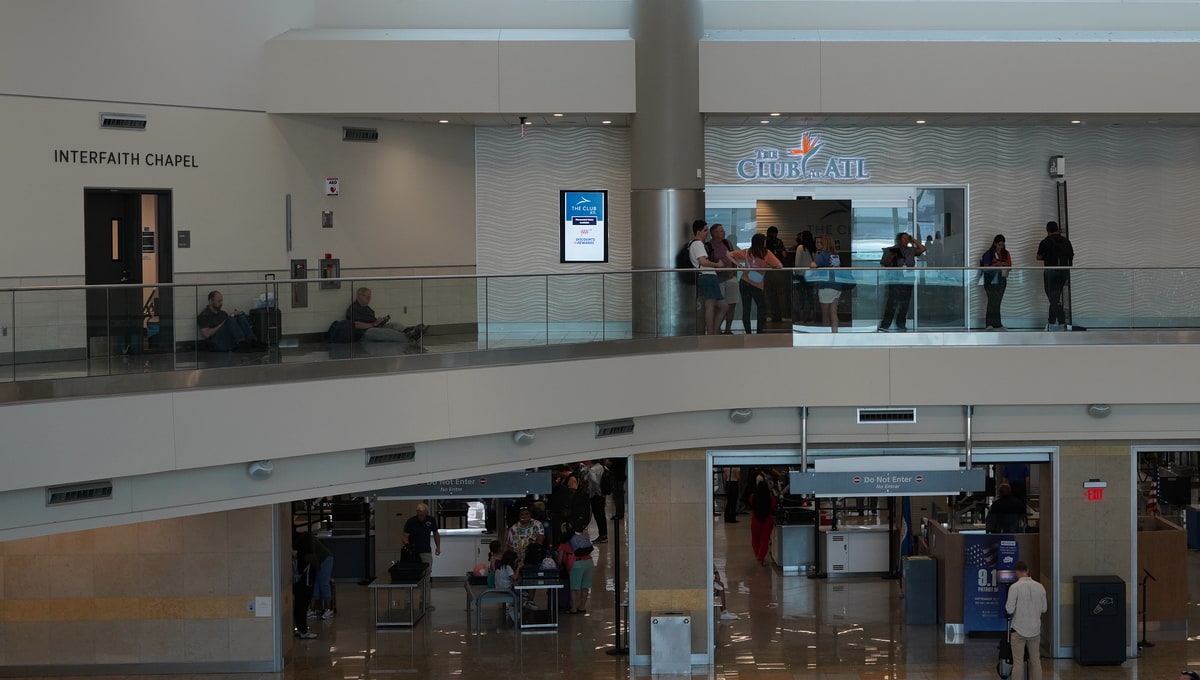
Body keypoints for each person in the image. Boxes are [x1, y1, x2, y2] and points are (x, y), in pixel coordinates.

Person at [729, 234, 782, 334]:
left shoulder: (747, 252)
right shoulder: (766, 253)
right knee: (761, 307)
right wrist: (768, 266)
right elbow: (779, 265)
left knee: (746, 308)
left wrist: (739, 265)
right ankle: (759, 332)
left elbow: (729, 254)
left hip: (744, 281)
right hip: (757, 284)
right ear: (763, 242)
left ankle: (748, 333)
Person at [1005, 561, 1047, 680]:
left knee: (1018, 663)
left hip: (1018, 630)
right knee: (1035, 661)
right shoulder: (1040, 587)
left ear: (1016, 572)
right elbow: (1044, 609)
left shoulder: (1014, 587)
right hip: (1035, 630)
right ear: (1027, 570)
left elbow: (1009, 609)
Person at [878, 232, 926, 332]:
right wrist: (891, 256)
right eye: (904, 238)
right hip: (895, 279)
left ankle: (901, 324)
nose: (906, 240)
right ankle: (885, 325)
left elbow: (922, 249)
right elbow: (885, 263)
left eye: (907, 238)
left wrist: (913, 240)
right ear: (899, 240)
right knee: (892, 303)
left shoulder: (911, 250)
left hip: (908, 279)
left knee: (905, 303)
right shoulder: (891, 249)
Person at [688, 220, 729, 336]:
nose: (707, 233)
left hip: (708, 276)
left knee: (723, 306)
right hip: (707, 276)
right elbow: (703, 261)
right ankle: (711, 333)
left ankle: (713, 331)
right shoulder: (697, 244)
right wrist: (717, 265)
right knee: (711, 305)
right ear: (698, 232)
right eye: (705, 230)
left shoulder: (694, 244)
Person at [346, 287, 427, 343]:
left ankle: (408, 331)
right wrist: (373, 324)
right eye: (367, 297)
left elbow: (372, 321)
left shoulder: (367, 308)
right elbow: (356, 325)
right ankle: (410, 338)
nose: (369, 299)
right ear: (360, 296)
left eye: (369, 297)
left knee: (395, 325)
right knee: (388, 333)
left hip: (374, 327)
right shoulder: (353, 309)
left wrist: (379, 321)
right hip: (364, 333)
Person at [1036, 220, 1075, 330]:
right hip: (1064, 272)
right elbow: (1071, 255)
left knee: (1054, 299)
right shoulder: (1066, 241)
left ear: (1047, 230)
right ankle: (1054, 322)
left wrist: (1048, 257)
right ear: (1058, 229)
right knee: (1055, 297)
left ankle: (1058, 322)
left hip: (1050, 272)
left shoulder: (1045, 242)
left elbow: (1038, 257)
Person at [196, 290, 264, 352]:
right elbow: (207, 334)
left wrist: (236, 316)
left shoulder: (222, 313)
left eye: (221, 301)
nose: (221, 303)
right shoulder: (204, 316)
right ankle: (241, 342)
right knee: (229, 319)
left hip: (228, 340)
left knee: (240, 316)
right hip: (216, 343)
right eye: (219, 301)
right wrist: (224, 322)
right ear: (211, 301)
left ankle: (253, 340)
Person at [708, 224, 739, 334]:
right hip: (718, 279)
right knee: (720, 305)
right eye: (721, 231)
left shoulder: (727, 243)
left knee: (732, 304)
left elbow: (733, 257)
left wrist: (734, 272)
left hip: (730, 277)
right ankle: (717, 328)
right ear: (714, 233)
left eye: (723, 230)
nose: (723, 233)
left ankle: (728, 329)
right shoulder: (709, 246)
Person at [812, 234, 843, 333]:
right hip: (837, 285)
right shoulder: (835, 255)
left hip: (826, 286)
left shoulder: (822, 255)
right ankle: (835, 333)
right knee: (833, 312)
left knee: (825, 314)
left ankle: (826, 334)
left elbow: (813, 265)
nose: (817, 244)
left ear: (824, 243)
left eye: (819, 242)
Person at [981, 234, 1013, 330]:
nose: (1001, 247)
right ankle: (989, 324)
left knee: (998, 301)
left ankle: (997, 323)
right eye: (999, 245)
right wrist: (996, 265)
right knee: (992, 301)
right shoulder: (989, 253)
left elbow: (1010, 266)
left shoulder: (1006, 253)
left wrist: (1004, 265)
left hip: (1001, 279)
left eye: (1002, 245)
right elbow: (985, 268)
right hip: (990, 280)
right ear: (995, 244)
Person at [292, 534, 318, 639]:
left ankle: (299, 628)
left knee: (298, 606)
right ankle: (303, 631)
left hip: (297, 582)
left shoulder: (296, 553)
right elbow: (317, 565)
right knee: (303, 607)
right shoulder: (309, 555)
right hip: (306, 583)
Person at [763, 226, 790, 323]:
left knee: (767, 294)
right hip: (777, 270)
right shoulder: (778, 242)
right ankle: (783, 315)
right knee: (781, 293)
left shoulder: (764, 242)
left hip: (765, 270)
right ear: (776, 233)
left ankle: (769, 315)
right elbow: (784, 254)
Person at [748, 476, 777, 566]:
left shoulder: (752, 497)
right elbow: (773, 505)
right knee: (764, 540)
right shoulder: (771, 499)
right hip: (767, 521)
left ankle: (757, 555)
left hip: (755, 520)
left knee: (755, 539)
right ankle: (762, 557)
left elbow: (751, 503)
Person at [402, 502, 442, 566]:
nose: (421, 516)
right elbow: (405, 536)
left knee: (427, 569)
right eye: (420, 514)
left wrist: (438, 547)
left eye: (423, 514)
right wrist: (408, 546)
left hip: (426, 551)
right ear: (417, 512)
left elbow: (436, 534)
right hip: (413, 552)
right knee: (414, 569)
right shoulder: (410, 522)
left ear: (426, 513)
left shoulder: (431, 520)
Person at [567, 525, 594, 614]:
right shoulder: (584, 536)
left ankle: (574, 608)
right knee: (585, 587)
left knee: (574, 588)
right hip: (589, 562)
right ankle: (582, 607)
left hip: (577, 563)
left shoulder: (570, 539)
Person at [792, 231, 818, 323]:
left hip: (801, 275)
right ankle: (812, 317)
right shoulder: (814, 248)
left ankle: (801, 318)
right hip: (811, 275)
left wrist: (795, 272)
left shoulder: (800, 248)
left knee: (801, 297)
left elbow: (797, 263)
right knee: (811, 296)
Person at [308, 534, 335, 620]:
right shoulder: (306, 539)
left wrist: (317, 566)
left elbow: (313, 554)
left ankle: (328, 610)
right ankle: (312, 610)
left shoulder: (307, 541)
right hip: (319, 560)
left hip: (325, 559)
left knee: (323, 583)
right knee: (314, 584)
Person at [586, 460, 609, 543]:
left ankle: (602, 535)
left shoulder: (592, 470)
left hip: (596, 495)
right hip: (603, 495)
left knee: (598, 516)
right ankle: (604, 534)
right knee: (602, 516)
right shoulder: (604, 468)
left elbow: (594, 482)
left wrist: (597, 492)